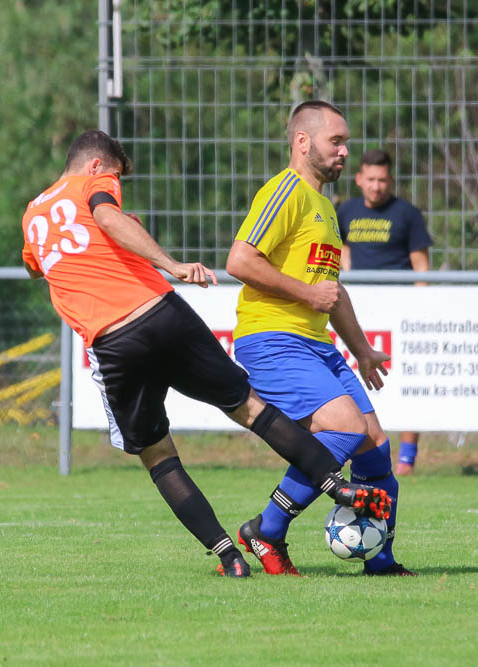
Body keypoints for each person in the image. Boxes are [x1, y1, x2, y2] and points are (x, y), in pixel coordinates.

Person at [21, 130, 390, 579]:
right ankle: (336, 486)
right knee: (250, 408)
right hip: (161, 313)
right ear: (96, 165)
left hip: (113, 342)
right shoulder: (95, 184)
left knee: (158, 456)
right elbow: (105, 216)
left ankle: (229, 557)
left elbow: (35, 265)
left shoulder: (33, 213)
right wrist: (170, 263)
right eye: (116, 176)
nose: (116, 186)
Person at [226, 101, 415, 577]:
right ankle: (267, 529)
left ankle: (381, 561)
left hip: (316, 344)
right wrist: (307, 293)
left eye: (346, 142)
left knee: (375, 447)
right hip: (271, 338)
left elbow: (332, 291)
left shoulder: (326, 208)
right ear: (302, 142)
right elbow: (240, 261)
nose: (345, 151)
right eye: (336, 141)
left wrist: (363, 351)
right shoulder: (285, 191)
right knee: (346, 427)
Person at [337, 149, 433, 475]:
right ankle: (360, 450)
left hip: (400, 311)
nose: (376, 186)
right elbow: (341, 249)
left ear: (390, 180)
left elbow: (421, 266)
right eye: (370, 179)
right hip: (358, 312)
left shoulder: (407, 214)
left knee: (407, 379)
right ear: (358, 179)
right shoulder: (345, 211)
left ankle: (407, 458)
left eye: (382, 180)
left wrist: (419, 308)